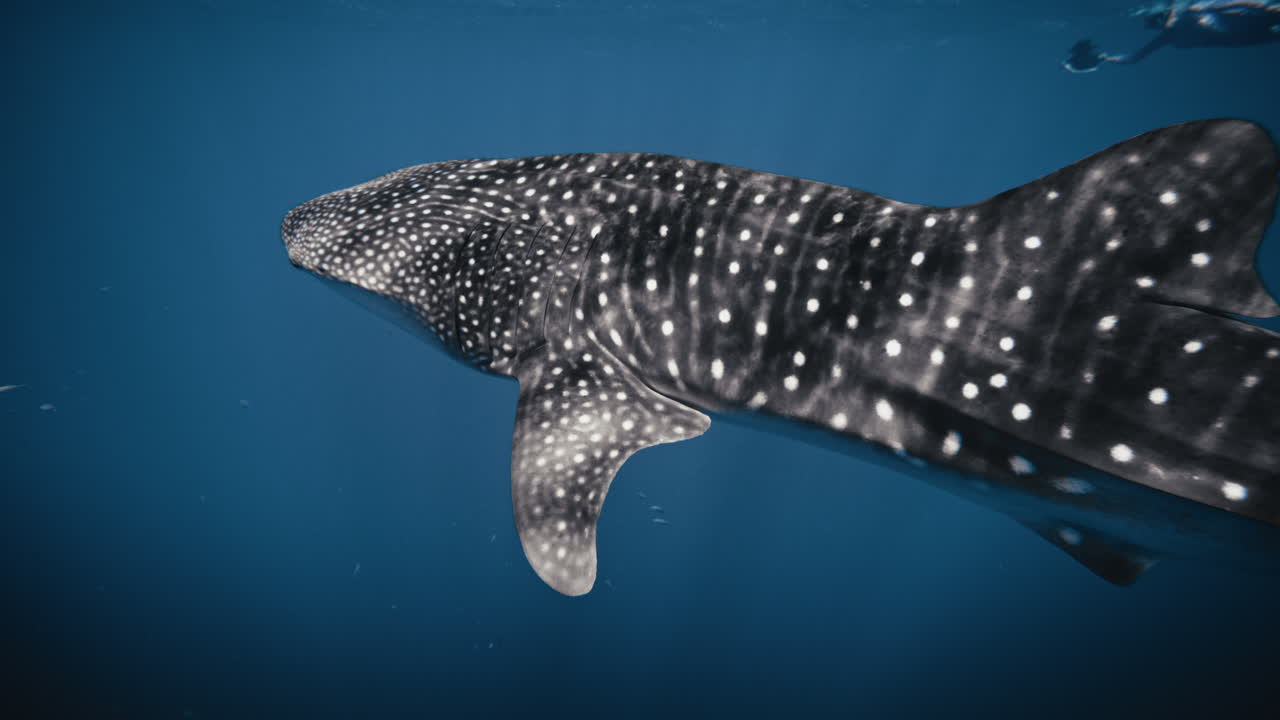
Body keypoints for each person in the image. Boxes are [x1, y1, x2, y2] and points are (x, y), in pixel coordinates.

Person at [1063, 1, 1280, 72]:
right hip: (1245, 30)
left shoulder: (1172, 31)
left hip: (1245, 31)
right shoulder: (1172, 31)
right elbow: (1135, 57)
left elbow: (1135, 57)